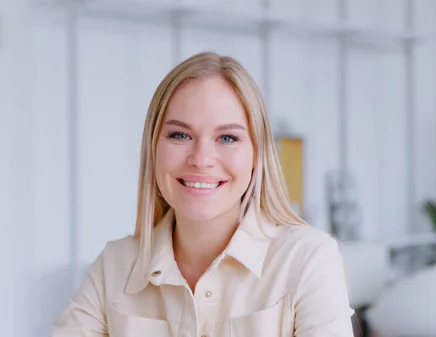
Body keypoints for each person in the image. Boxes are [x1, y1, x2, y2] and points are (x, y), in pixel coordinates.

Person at [51, 51, 355, 337]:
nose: (201, 158)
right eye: (180, 135)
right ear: (153, 148)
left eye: (227, 137)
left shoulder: (308, 259)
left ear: (257, 154)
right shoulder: (114, 265)